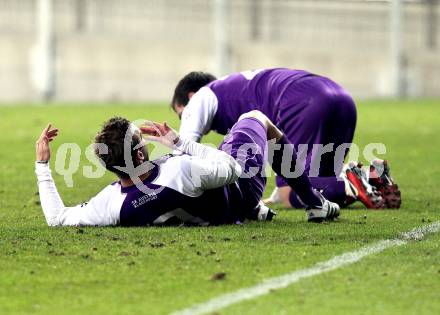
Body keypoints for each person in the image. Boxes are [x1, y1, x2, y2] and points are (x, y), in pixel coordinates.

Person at [35, 111, 340, 227]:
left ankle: (257, 211)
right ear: (139, 158)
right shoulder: (179, 171)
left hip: (206, 205)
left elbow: (57, 218)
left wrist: (42, 165)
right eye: (142, 141)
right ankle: (314, 203)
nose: (146, 143)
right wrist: (180, 142)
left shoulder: (111, 204)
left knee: (211, 165)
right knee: (256, 118)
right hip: (240, 191)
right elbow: (230, 167)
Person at [171, 68, 401, 209]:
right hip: (339, 96)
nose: (184, 119)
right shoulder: (234, 88)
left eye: (180, 112)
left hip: (301, 100)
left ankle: (351, 181)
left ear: (189, 97)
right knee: (321, 182)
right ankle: (371, 176)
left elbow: (182, 154)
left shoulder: (200, 98)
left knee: (291, 195)